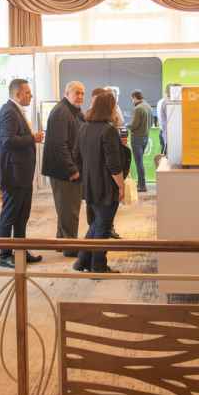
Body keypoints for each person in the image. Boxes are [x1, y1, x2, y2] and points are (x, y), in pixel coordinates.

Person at [0, 79, 44, 268]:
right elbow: (7, 140)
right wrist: (32, 138)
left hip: (21, 173)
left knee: (22, 215)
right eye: (27, 92)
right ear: (17, 94)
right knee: (9, 214)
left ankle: (20, 251)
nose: (31, 95)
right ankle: (5, 255)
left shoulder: (14, 110)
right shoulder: (9, 111)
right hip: (13, 173)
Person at [72, 92, 125, 274]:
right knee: (103, 227)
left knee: (97, 223)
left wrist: (87, 173)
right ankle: (98, 266)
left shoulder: (84, 128)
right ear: (109, 108)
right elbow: (114, 164)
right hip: (106, 187)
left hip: (90, 184)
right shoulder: (108, 131)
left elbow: (76, 156)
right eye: (114, 106)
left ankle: (82, 261)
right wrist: (121, 185)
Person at [42, 81, 85, 256]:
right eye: (77, 93)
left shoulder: (73, 111)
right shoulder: (62, 112)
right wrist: (72, 170)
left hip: (66, 169)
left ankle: (61, 242)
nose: (80, 96)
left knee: (65, 208)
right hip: (64, 171)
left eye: (82, 93)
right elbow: (60, 145)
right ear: (66, 93)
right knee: (70, 210)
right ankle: (70, 247)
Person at [128, 90, 152, 193]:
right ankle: (141, 183)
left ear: (134, 97)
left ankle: (142, 185)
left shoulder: (138, 109)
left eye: (132, 99)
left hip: (137, 138)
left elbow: (134, 125)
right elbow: (151, 123)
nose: (132, 101)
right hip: (145, 137)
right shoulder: (148, 106)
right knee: (140, 161)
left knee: (139, 162)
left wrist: (126, 125)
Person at [156, 84, 174, 155]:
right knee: (166, 155)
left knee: (164, 153)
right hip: (167, 133)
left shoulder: (161, 101)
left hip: (164, 132)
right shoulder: (167, 102)